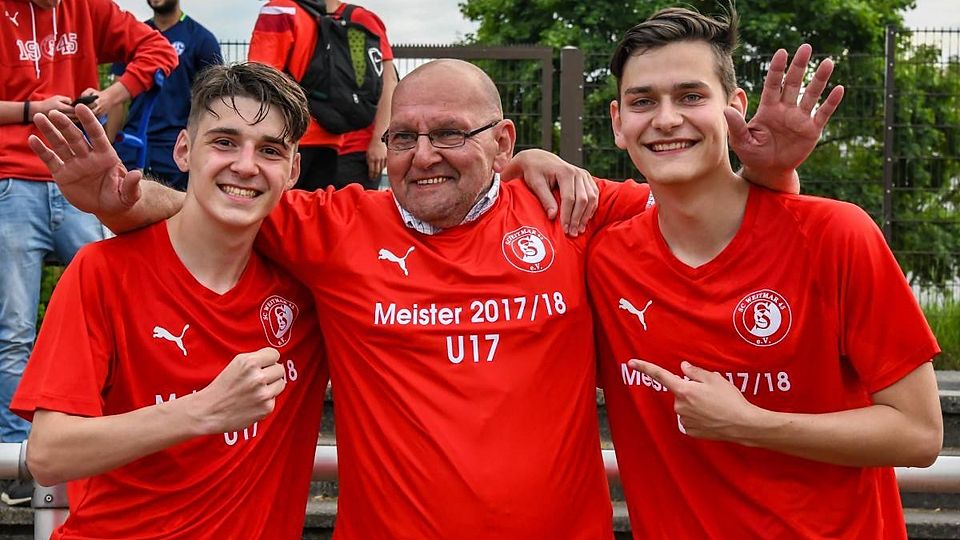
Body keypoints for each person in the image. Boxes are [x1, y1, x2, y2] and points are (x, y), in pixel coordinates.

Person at [31, 47, 838, 536]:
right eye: (405, 136)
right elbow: (225, 204)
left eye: (451, 133)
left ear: (504, 140)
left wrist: (772, 171)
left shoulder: (572, 208)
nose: (424, 154)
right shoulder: (332, 227)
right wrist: (118, 203)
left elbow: (723, 223)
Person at [587, 7, 943, 538]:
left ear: (734, 108)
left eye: (690, 96)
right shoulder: (603, 260)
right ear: (618, 123)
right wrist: (530, 162)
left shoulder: (836, 234)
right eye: (643, 101)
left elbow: (919, 433)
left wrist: (749, 424)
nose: (666, 119)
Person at [13, 62, 329, 538]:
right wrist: (202, 411)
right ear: (184, 150)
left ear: (293, 170)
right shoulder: (104, 270)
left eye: (269, 150)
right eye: (224, 142)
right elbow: (48, 454)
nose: (245, 165)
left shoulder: (312, 288)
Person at [0, 0, 177, 506]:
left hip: (80, 181)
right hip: (13, 180)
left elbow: (159, 49)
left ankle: (110, 441)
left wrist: (114, 94)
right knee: (14, 328)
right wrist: (31, 111)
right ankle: (18, 462)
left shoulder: (87, 8)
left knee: (125, 311)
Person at [250, 0, 397, 190]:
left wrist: (379, 140)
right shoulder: (332, 17)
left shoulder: (283, 10)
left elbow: (258, 80)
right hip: (331, 141)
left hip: (302, 138)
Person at [106, 0, 223, 191]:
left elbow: (214, 100)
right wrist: (109, 146)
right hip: (133, 142)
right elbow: (116, 99)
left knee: (173, 206)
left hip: (175, 145)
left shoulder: (201, 38)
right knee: (125, 203)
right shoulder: (135, 36)